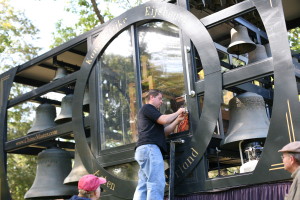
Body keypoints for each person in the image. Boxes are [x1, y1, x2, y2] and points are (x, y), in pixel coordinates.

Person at [133, 89, 186, 200]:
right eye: (160, 98)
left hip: (144, 150)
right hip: (150, 149)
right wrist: (178, 112)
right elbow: (164, 120)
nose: (161, 102)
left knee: (143, 185)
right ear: (152, 97)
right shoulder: (148, 108)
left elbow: (165, 132)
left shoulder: (150, 114)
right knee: (156, 182)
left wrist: (177, 120)